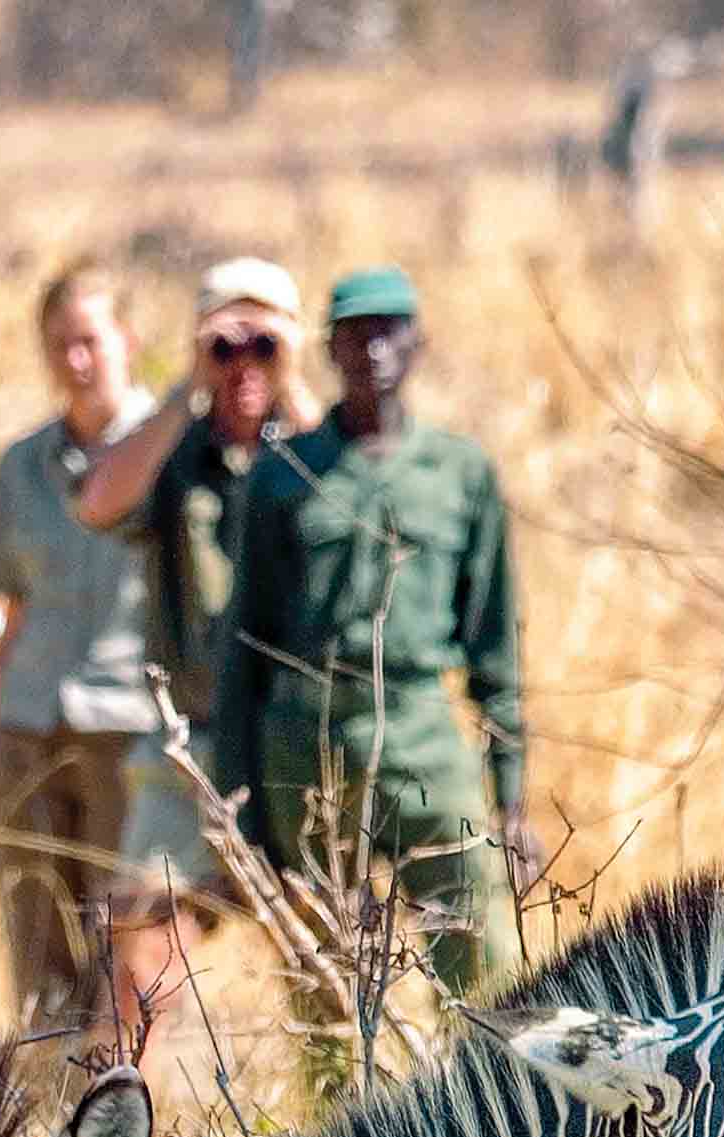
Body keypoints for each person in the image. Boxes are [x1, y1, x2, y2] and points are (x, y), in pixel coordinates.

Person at [214, 264, 541, 998]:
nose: (372, 354)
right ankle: (337, 1112)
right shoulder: (283, 474)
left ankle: (480, 1107)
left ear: (418, 344)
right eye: (355, 336)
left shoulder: (458, 473)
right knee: (323, 982)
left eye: (388, 334)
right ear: (330, 350)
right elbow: (242, 650)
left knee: (482, 969)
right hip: (307, 741)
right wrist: (238, 809)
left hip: (422, 732)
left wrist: (510, 798)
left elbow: (495, 646)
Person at [76, 256, 319, 1003]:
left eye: (262, 345)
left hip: (294, 743)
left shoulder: (315, 445)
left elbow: (347, 508)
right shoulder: (173, 450)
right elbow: (98, 502)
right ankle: (133, 1111)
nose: (242, 364)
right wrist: (187, 390)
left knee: (325, 964)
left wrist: (294, 378)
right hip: (190, 741)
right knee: (139, 964)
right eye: (225, 345)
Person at [0, 264, 157, 1027]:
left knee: (125, 957)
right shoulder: (20, 466)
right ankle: (42, 1122)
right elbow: (6, 611)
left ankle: (125, 1121)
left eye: (90, 342)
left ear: (127, 341)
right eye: (58, 346)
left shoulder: (169, 453)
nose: (75, 362)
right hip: (28, 730)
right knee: (35, 962)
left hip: (127, 733)